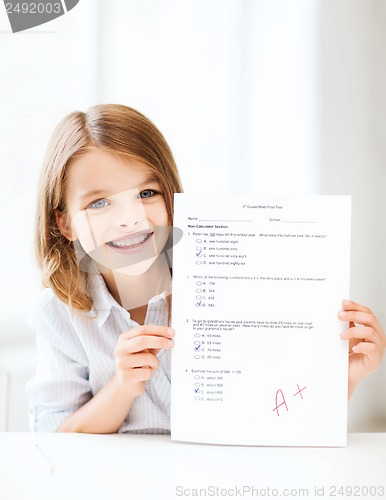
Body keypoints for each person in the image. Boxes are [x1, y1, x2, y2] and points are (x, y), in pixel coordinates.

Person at [27, 104, 385, 434]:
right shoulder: (60, 313)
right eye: (100, 202)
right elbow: (55, 438)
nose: (130, 219)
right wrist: (122, 387)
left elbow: (279, 414)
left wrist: (344, 378)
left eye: (147, 193)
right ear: (65, 223)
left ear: (171, 198)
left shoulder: (227, 280)